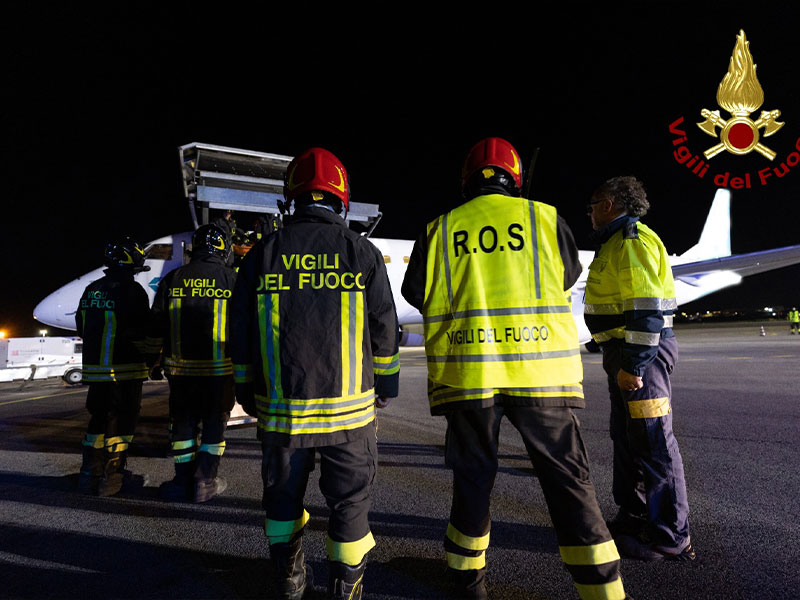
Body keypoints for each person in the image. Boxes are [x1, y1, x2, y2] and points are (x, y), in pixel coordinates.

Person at [402, 137, 630, 600]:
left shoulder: (439, 229)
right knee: (569, 483)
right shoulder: (545, 218)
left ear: (467, 181)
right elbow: (567, 276)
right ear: (515, 178)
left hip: (470, 376)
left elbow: (416, 292)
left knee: (472, 480)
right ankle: (603, 591)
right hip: (541, 372)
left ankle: (467, 580)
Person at [230, 147, 399, 600]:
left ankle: (289, 579)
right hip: (349, 418)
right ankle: (346, 589)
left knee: (281, 501)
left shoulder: (262, 254)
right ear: (341, 200)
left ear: (291, 199)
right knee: (350, 505)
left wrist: (244, 388)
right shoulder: (361, 251)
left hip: (283, 415)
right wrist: (387, 384)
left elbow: (240, 331)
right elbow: (384, 326)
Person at [584, 175, 694, 562]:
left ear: (609, 204)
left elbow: (646, 310)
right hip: (622, 353)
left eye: (593, 205)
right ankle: (634, 516)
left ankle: (670, 535)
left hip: (641, 356)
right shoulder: (614, 242)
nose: (589, 213)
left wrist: (633, 364)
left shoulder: (632, 241)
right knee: (628, 438)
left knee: (652, 440)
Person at [148, 223, 237, 503]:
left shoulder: (173, 278)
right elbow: (246, 325)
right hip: (219, 372)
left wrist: (152, 360)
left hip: (180, 373)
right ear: (223, 249)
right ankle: (205, 482)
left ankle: (182, 480)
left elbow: (156, 324)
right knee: (214, 426)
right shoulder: (231, 279)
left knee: (183, 427)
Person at [76, 236, 151, 497]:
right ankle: (113, 478)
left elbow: (81, 327)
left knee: (98, 421)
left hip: (96, 373)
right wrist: (151, 358)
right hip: (125, 371)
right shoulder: (133, 291)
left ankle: (89, 474)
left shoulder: (92, 289)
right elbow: (143, 331)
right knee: (121, 424)